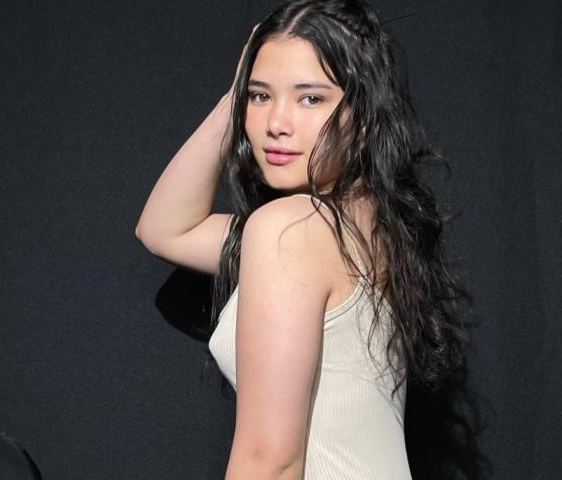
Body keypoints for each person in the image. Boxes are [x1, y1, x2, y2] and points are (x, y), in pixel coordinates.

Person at [135, 0, 468, 478]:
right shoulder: (370, 225)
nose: (276, 123)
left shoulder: (291, 230)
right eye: (260, 96)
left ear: (365, 113)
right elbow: (165, 230)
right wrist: (236, 95)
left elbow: (270, 462)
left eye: (310, 98)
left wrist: (246, 89)